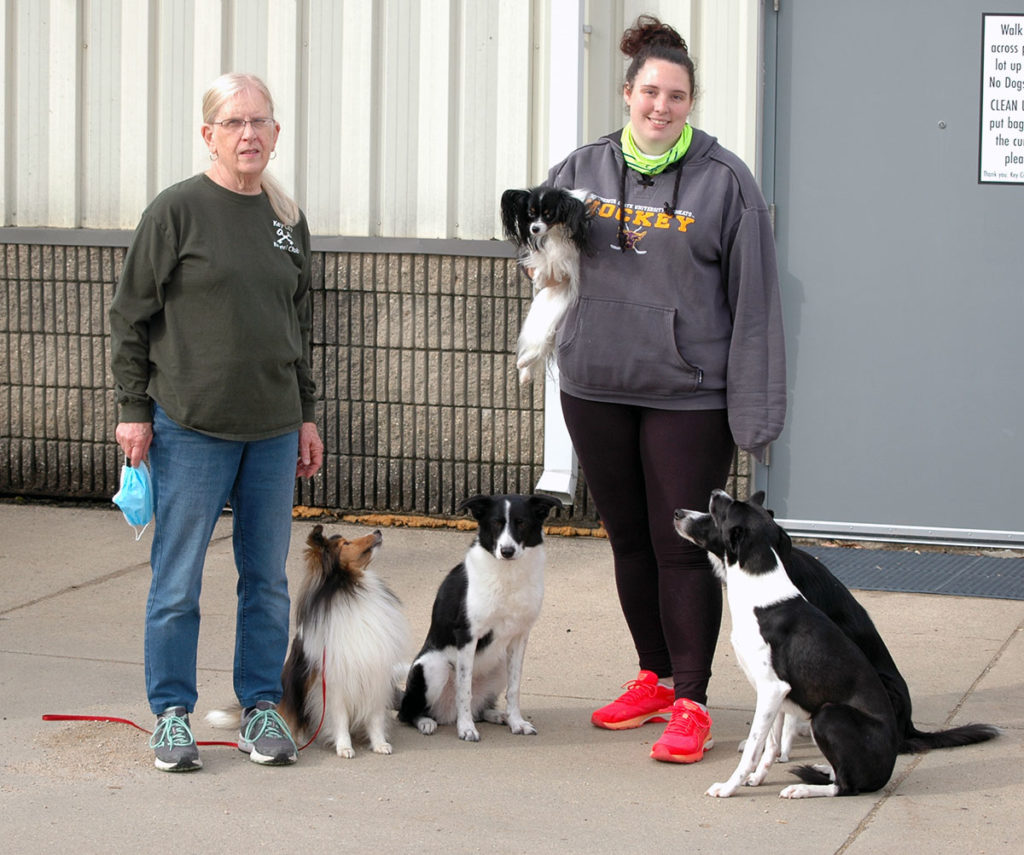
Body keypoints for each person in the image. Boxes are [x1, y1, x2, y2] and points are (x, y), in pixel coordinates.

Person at [546, 16, 786, 764]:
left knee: (679, 547)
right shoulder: (579, 170)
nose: (661, 105)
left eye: (676, 95)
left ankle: (691, 698)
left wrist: (756, 409)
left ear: (691, 102)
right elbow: (544, 263)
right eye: (650, 91)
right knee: (626, 539)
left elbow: (756, 302)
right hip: (596, 384)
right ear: (627, 93)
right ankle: (652, 675)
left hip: (688, 395)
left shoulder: (725, 181)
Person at [109, 72, 323, 772]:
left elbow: (298, 325)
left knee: (265, 578)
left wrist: (305, 415)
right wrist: (134, 410)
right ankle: (171, 713)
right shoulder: (176, 211)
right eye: (234, 124)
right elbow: (130, 316)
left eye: (260, 122)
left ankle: (261, 705)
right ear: (209, 134)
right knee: (178, 579)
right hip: (190, 425)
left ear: (276, 132)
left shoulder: (287, 220)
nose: (249, 135)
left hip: (271, 429)